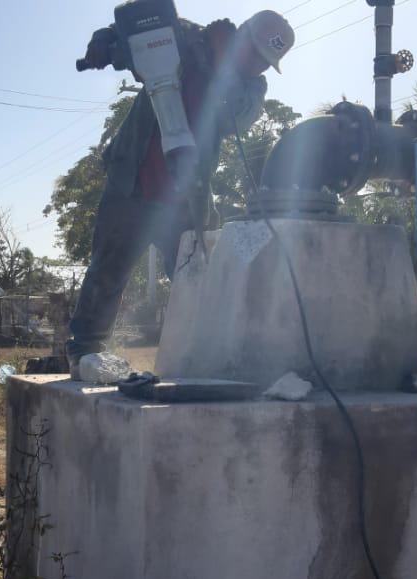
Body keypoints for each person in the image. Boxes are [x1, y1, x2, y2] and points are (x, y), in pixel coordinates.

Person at [67, 9, 295, 377]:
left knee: (202, 277)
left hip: (186, 200)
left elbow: (232, 120)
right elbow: (130, 28)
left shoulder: (252, 88)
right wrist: (104, 43)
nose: (258, 68)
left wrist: (221, 73)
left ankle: (216, 356)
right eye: (255, 55)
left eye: (266, 64)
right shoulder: (186, 37)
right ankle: (83, 352)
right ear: (243, 35)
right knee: (108, 267)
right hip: (134, 183)